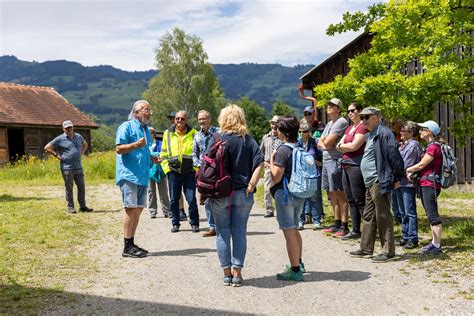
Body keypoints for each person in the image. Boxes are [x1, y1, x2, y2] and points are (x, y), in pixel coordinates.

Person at [209, 104, 264, 287]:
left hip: (219, 192)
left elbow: (206, 164)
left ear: (223, 119)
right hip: (243, 192)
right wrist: (252, 184)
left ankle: (226, 274)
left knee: (222, 233)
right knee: (239, 232)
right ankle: (237, 273)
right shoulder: (248, 141)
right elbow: (260, 163)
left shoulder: (217, 139)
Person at [349, 107, 404, 263]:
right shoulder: (370, 135)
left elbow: (394, 155)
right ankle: (366, 248)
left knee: (383, 216)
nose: (364, 120)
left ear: (377, 118)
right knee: (368, 215)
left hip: (379, 181)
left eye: (367, 117)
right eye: (363, 117)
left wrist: (397, 177)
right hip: (370, 182)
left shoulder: (384, 134)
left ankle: (388, 252)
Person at [115, 100, 155, 258]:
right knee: (130, 209)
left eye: (150, 110)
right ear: (136, 112)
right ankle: (126, 247)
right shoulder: (126, 126)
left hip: (142, 176)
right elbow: (119, 149)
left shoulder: (146, 130)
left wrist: (153, 158)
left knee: (137, 211)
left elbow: (145, 152)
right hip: (129, 175)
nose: (149, 112)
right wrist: (135, 145)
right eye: (146, 110)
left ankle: (131, 242)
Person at [270, 115, 305, 281]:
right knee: (295, 229)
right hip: (299, 193)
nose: (276, 131)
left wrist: (271, 161)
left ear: (283, 132)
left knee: (289, 232)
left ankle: (295, 270)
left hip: (285, 194)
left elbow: (276, 177)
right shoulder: (299, 147)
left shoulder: (283, 150)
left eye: (278, 128)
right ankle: (298, 261)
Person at [406, 120, 444, 254]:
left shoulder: (434, 147)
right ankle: (434, 242)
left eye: (422, 129)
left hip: (430, 184)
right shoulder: (428, 146)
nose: (420, 131)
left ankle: (437, 246)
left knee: (433, 215)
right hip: (425, 183)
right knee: (430, 214)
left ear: (429, 131)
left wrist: (409, 169)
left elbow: (422, 164)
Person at [161, 110, 199, 233]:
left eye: (182, 119)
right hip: (173, 172)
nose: (179, 121)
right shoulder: (167, 133)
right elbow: (163, 153)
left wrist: (196, 169)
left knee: (191, 199)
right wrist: (167, 170)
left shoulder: (194, 133)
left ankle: (194, 223)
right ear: (174, 120)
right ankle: (175, 223)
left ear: (186, 120)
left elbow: (199, 153)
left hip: (189, 172)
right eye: (177, 118)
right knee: (173, 199)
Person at [44, 120, 93, 214]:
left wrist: (82, 152)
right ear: (63, 129)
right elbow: (47, 147)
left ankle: (83, 207)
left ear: (73, 127)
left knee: (81, 187)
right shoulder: (60, 139)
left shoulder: (78, 136)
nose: (69, 129)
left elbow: (85, 144)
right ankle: (71, 207)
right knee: (69, 188)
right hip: (67, 167)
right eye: (67, 128)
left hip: (78, 166)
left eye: (70, 127)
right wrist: (56, 155)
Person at [335, 102, 368, 239]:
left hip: (356, 166)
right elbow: (338, 145)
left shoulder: (362, 128)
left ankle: (367, 230)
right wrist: (344, 146)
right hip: (346, 165)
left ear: (360, 111)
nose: (350, 113)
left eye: (353, 110)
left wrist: (344, 146)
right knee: (350, 199)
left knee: (359, 199)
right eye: (348, 111)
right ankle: (355, 230)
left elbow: (355, 146)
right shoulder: (349, 128)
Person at [317, 98, 349, 237]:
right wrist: (326, 145)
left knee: (340, 193)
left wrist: (326, 144)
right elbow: (320, 142)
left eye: (332, 105)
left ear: (338, 109)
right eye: (329, 105)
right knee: (332, 193)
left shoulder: (341, 122)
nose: (329, 107)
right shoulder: (330, 123)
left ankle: (344, 225)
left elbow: (328, 142)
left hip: (335, 160)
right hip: (327, 160)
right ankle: (337, 223)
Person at [192, 110, 220, 237]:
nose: (201, 121)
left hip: (218, 170)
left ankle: (222, 226)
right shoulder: (197, 136)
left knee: (220, 198)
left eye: (204, 119)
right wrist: (199, 167)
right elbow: (194, 153)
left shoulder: (218, 132)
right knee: (207, 199)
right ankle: (212, 227)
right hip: (205, 173)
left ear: (210, 119)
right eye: (199, 119)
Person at [395, 121, 422, 249]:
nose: (400, 133)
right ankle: (405, 235)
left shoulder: (413, 145)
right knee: (402, 211)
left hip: (407, 182)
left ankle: (413, 237)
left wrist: (397, 174)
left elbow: (407, 164)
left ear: (410, 133)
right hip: (399, 181)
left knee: (409, 211)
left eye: (403, 131)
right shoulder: (402, 145)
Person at [297, 121, 323, 230]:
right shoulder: (297, 143)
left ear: (309, 132)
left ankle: (316, 220)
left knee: (314, 197)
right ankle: (300, 221)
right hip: (301, 174)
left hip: (314, 174)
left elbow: (321, 156)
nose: (303, 133)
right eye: (301, 131)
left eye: (305, 131)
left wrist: (320, 163)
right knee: (301, 198)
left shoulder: (315, 143)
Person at [260, 115, 282, 218]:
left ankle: (281, 209)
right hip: (268, 165)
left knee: (280, 188)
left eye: (276, 123)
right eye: (272, 123)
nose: (274, 125)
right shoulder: (265, 137)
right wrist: (263, 161)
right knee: (267, 188)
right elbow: (261, 152)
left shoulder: (282, 137)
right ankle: (269, 210)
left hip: (280, 166)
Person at [147, 127, 171, 219]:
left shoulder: (160, 143)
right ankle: (152, 211)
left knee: (164, 192)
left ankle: (167, 211)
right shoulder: (145, 145)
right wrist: (155, 155)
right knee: (151, 192)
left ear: (154, 134)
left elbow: (163, 154)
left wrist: (153, 155)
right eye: (148, 132)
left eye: (151, 132)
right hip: (149, 171)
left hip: (161, 170)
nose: (149, 134)